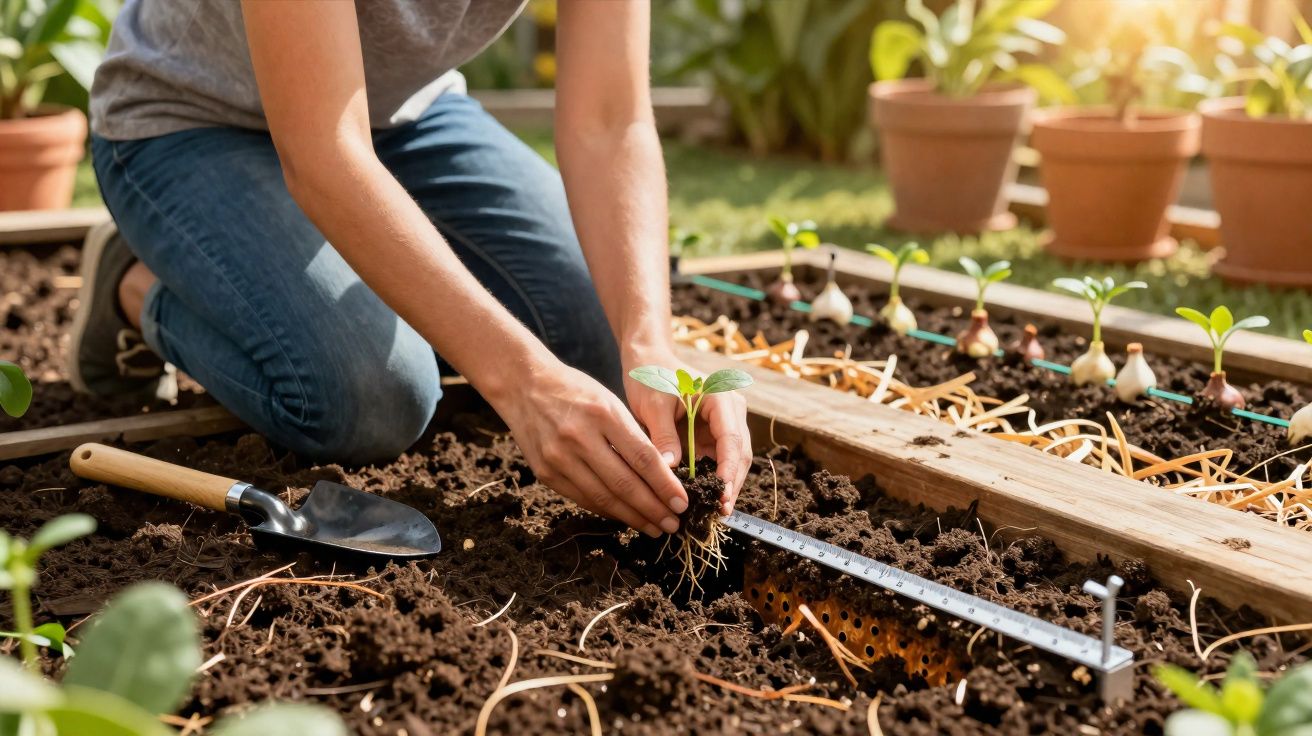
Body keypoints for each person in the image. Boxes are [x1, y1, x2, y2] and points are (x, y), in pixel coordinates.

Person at [72, 0, 751, 539]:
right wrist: (523, 382)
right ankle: (135, 286)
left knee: (600, 341)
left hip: (402, 116)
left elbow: (610, 119)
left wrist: (650, 347)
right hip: (188, 122)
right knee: (373, 394)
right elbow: (324, 150)